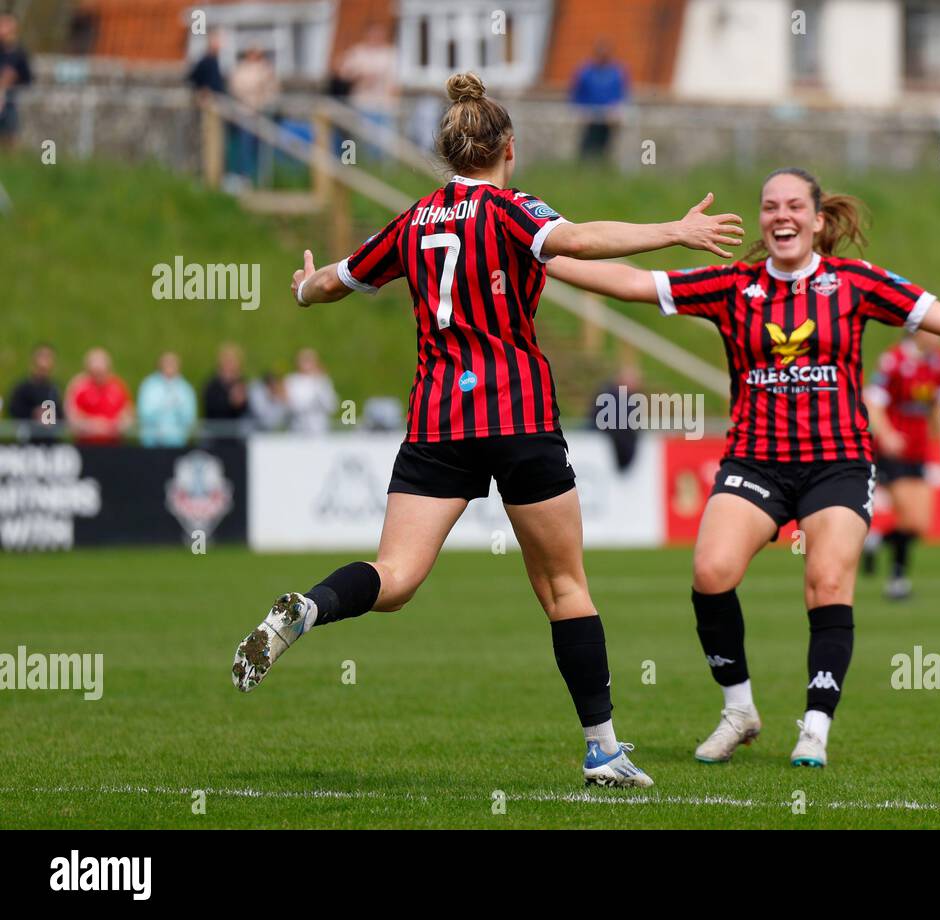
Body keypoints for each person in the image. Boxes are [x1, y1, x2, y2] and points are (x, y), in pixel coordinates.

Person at [229, 72, 743, 788]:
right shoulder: (510, 209)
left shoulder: (412, 221)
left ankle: (310, 607)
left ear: (446, 153)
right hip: (517, 416)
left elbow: (333, 282)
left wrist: (305, 287)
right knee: (565, 587)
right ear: (509, 147)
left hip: (438, 421)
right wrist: (674, 231)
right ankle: (603, 751)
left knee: (397, 577)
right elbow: (583, 240)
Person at [547, 166, 940, 768]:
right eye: (769, 207)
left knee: (828, 582)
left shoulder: (855, 282)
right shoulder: (733, 286)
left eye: (793, 207)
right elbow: (630, 283)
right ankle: (739, 710)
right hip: (756, 460)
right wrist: (541, 256)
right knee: (710, 571)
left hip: (836, 462)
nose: (780, 216)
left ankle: (814, 726)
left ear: (816, 219)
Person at [861, 330, 940, 600]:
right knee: (908, 517)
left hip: (919, 450)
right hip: (892, 451)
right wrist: (887, 433)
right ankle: (897, 580)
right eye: (934, 329)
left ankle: (875, 541)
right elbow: (873, 401)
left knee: (920, 524)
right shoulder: (894, 360)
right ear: (918, 332)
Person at [338, 23, 399, 157]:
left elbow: (395, 82)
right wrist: (361, 76)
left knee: (384, 140)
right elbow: (343, 74)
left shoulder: (390, 54)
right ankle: (361, 164)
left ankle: (381, 168)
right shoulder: (357, 52)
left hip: (384, 105)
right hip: (362, 103)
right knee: (362, 137)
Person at [227, 46, 279, 183]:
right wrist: (253, 91)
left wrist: (262, 100)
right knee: (243, 144)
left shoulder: (266, 69)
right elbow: (236, 88)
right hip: (244, 112)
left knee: (261, 148)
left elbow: (272, 91)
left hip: (261, 113)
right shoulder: (241, 69)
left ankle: (261, 178)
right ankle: (244, 176)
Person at [569, 41, 626, 162]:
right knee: (589, 140)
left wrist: (616, 109)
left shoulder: (616, 72)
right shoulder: (585, 71)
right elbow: (576, 92)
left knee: (605, 141)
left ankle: (602, 163)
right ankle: (584, 163)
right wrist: (579, 109)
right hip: (588, 113)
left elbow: (621, 93)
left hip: (608, 114)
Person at [65, 348, 133, 445]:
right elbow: (71, 417)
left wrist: (111, 427)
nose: (99, 376)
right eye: (95, 372)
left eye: (102, 372)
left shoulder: (118, 387)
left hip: (114, 445)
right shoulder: (78, 386)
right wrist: (92, 426)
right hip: (86, 445)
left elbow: (128, 416)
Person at [137, 351, 197, 447]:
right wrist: (162, 407)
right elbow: (143, 414)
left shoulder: (185, 388)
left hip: (176, 442)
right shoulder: (149, 385)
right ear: (159, 365)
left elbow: (189, 418)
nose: (169, 366)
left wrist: (177, 406)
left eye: (172, 364)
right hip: (151, 442)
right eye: (166, 363)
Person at [7, 343, 63, 439]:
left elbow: (61, 415)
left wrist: (52, 417)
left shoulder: (54, 389)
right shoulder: (22, 389)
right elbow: (13, 410)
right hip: (28, 441)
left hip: (50, 442)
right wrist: (33, 414)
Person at [283, 347, 337, 433]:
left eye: (309, 360)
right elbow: (291, 405)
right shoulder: (291, 380)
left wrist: (319, 383)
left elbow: (332, 405)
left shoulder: (322, 380)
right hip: (297, 429)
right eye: (304, 360)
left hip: (320, 429)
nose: (307, 364)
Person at [202, 343, 250, 436]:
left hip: (236, 436)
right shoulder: (211, 385)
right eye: (227, 361)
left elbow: (246, 411)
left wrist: (241, 403)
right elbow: (210, 409)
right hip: (215, 436)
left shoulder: (242, 384)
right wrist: (230, 401)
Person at [0, 14, 33, 150]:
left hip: (9, 101)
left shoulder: (19, 53)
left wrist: (14, 78)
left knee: (11, 136)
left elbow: (28, 78)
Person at [187, 30, 226, 99]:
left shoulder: (216, 60)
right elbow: (193, 78)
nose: (220, 46)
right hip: (209, 97)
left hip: (217, 96)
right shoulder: (206, 61)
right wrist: (203, 88)